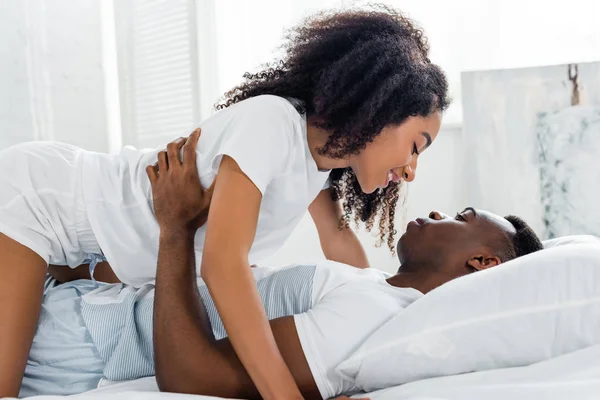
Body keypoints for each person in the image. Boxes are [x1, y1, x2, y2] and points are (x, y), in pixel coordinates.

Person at [0, 5, 450, 398]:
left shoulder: (320, 165)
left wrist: (389, 321)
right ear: (382, 109)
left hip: (87, 248)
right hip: (44, 201)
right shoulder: (273, 123)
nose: (411, 170)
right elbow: (222, 265)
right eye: (416, 145)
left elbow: (342, 249)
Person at [19, 142, 543, 399]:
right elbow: (335, 234)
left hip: (72, 342)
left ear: (483, 263)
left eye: (460, 217)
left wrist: (174, 228)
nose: (436, 212)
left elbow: (189, 376)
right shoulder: (373, 287)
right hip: (79, 297)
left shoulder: (372, 316)